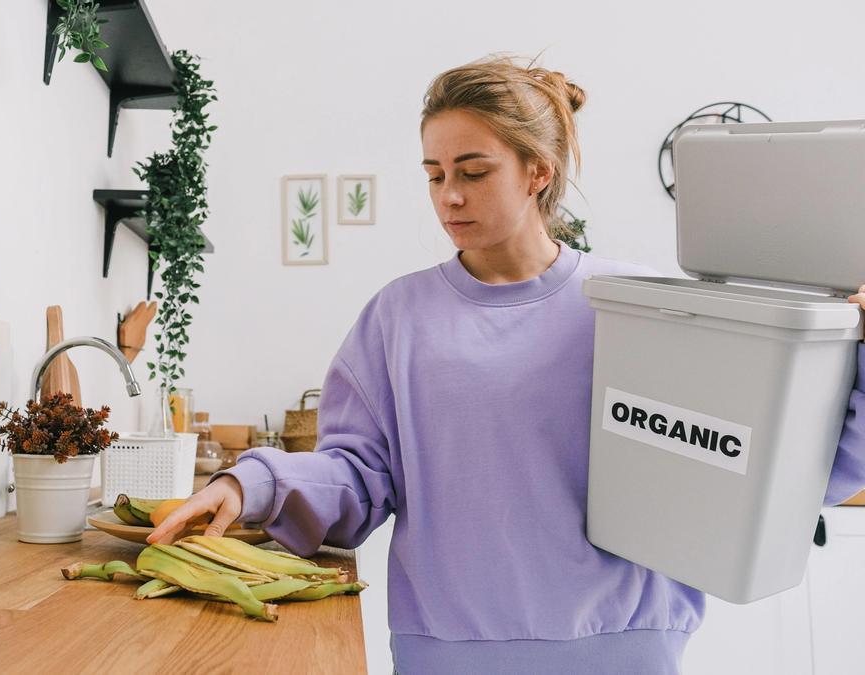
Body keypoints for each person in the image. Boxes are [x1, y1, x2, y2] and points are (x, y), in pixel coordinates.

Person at [147, 54, 865, 674]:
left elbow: (759, 468)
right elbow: (358, 476)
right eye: (433, 174)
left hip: (624, 647)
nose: (449, 195)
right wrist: (255, 483)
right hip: (447, 653)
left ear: (536, 172)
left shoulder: (635, 308)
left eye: (473, 170)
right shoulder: (397, 318)